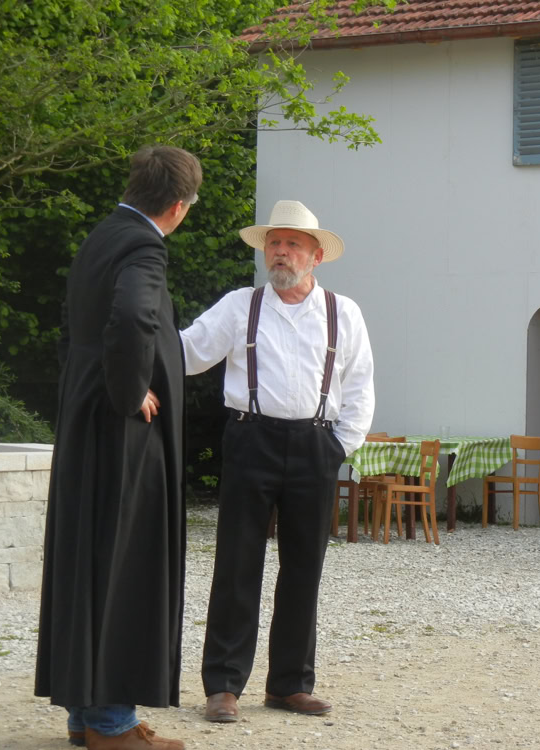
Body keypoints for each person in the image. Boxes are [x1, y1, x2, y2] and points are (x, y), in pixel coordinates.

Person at [181, 199, 374, 723]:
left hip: (315, 444)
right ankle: (224, 685)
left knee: (304, 568)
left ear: (316, 255)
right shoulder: (239, 306)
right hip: (251, 439)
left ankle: (290, 684)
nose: (281, 252)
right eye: (274, 243)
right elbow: (188, 352)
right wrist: (135, 353)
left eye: (292, 244)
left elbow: (359, 385)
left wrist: (339, 446)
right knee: (237, 563)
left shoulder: (342, 312)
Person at [34, 145, 200, 750]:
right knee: (123, 560)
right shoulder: (144, 245)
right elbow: (132, 317)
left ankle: (87, 717)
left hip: (88, 418)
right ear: (178, 206)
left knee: (90, 555)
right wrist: (128, 392)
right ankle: (111, 725)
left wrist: (87, 384)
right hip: (120, 429)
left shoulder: (101, 235)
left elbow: (72, 323)